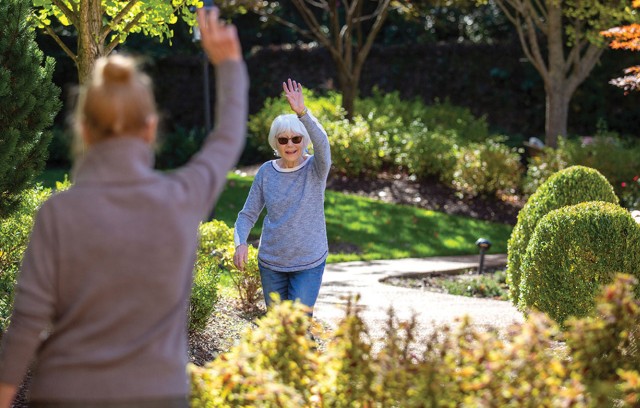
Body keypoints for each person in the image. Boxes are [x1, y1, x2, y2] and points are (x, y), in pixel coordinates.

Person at [0, 8, 247, 408]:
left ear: (83, 129)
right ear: (150, 129)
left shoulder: (59, 214)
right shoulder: (181, 197)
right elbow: (226, 140)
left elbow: (27, 323)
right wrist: (230, 66)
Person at [233, 79, 331, 316]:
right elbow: (247, 214)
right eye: (283, 139)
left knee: (297, 324)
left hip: (309, 261)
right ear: (275, 142)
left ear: (304, 141)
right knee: (278, 329)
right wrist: (241, 243)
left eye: (296, 139)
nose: (290, 144)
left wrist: (303, 114)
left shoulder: (315, 169)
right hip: (272, 264)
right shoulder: (267, 172)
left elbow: (323, 144)